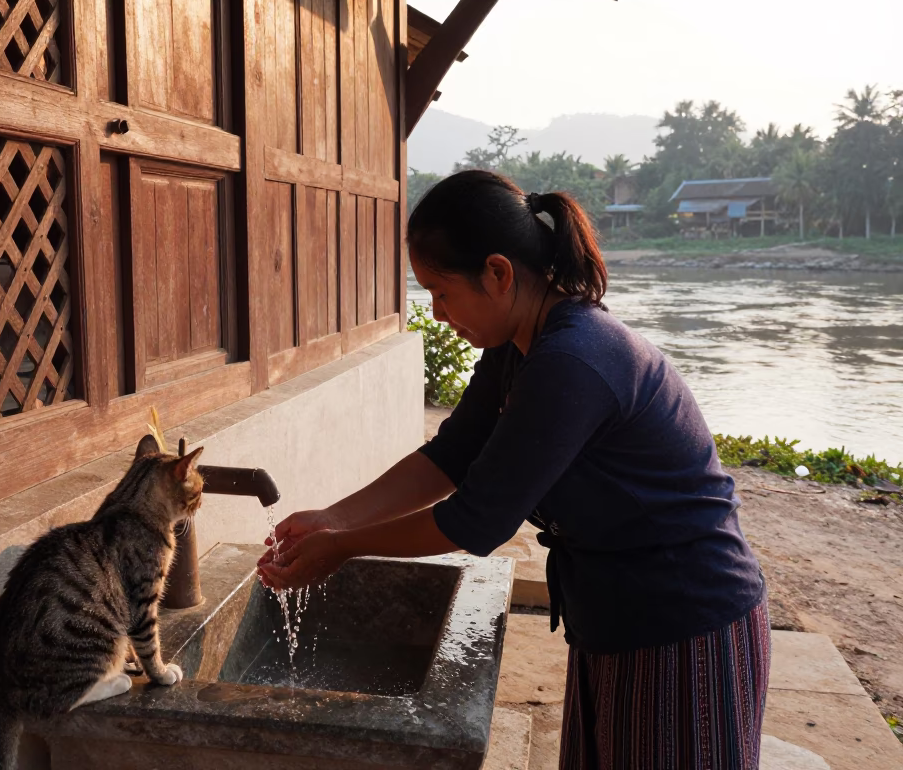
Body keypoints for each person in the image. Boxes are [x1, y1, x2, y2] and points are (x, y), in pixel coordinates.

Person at [257, 170, 770, 770]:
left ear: (498, 274)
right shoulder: (515, 346)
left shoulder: (574, 360)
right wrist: (333, 517)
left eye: (442, 293)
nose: (439, 314)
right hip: (614, 613)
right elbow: (450, 456)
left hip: (684, 622)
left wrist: (342, 547)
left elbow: (475, 521)